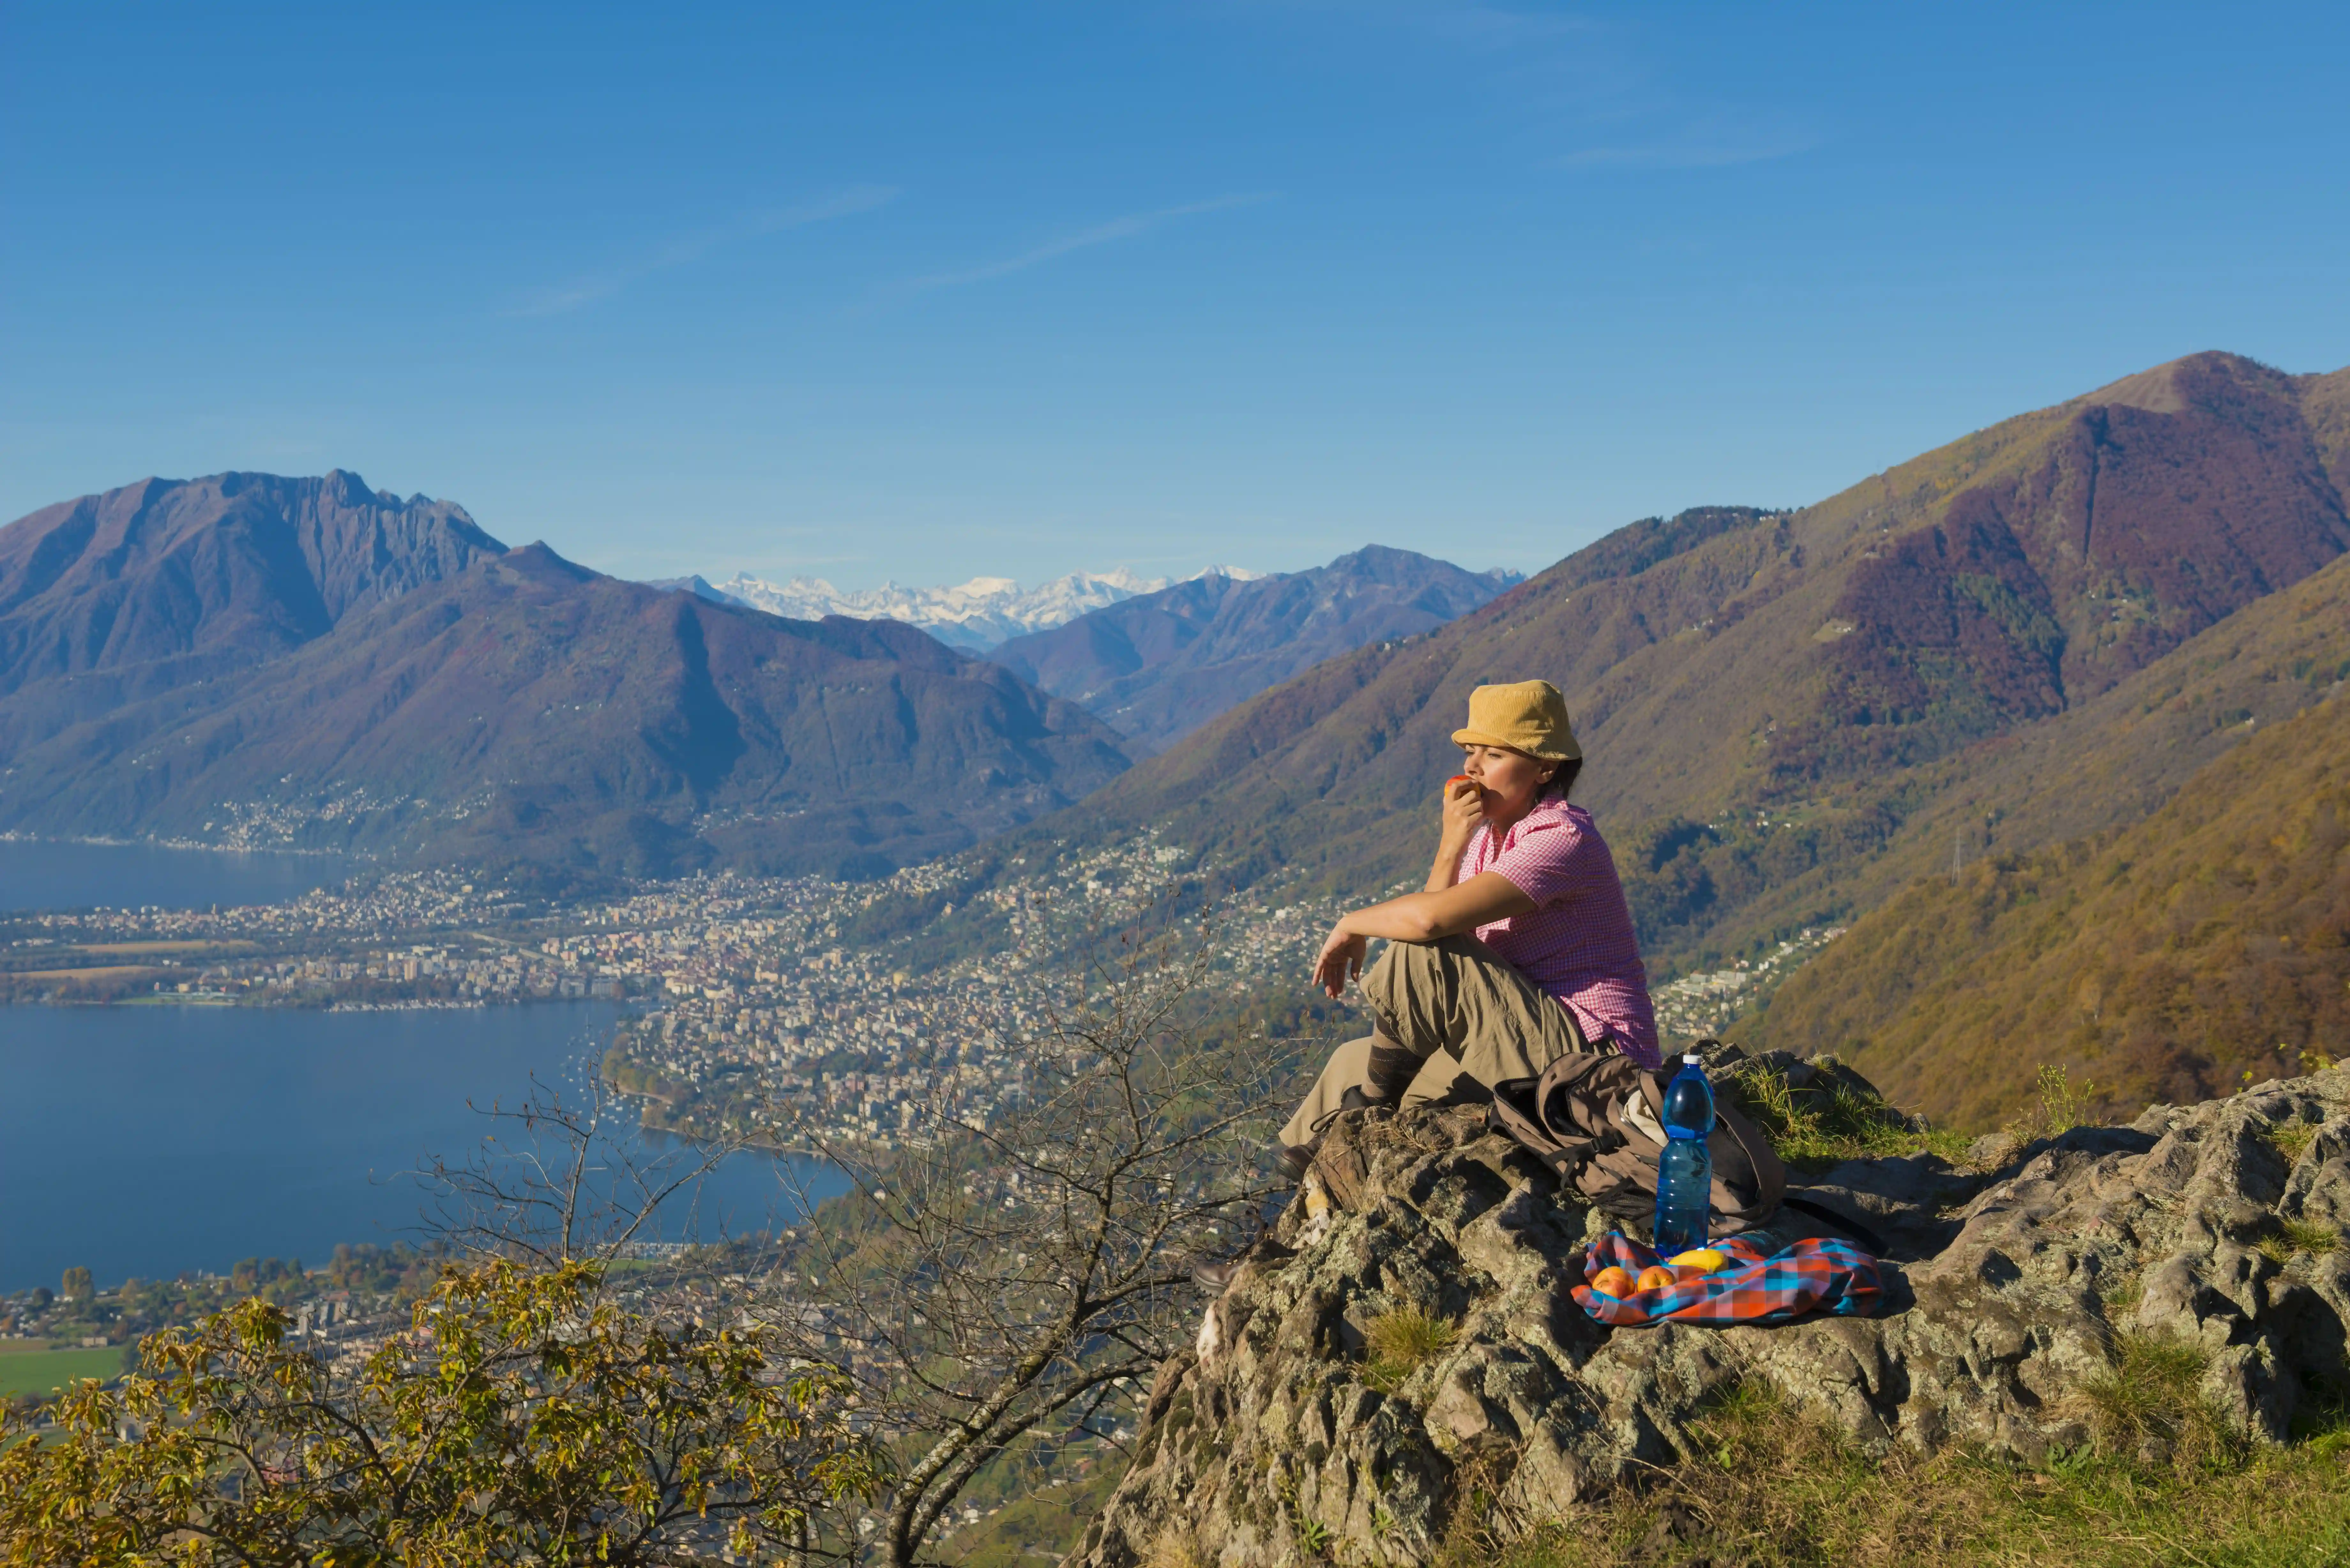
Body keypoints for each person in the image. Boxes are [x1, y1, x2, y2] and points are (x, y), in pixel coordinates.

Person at [1277, 678, 1658, 1174]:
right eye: (1471, 751)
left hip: (1595, 1066)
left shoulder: (1563, 840)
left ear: (1545, 767)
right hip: (1531, 1039)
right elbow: (1434, 914)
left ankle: (1367, 1114)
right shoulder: (1490, 839)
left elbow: (1428, 924)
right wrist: (1452, 842)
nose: (1472, 767)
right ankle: (1314, 1194)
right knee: (1352, 1059)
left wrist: (1353, 924)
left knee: (1423, 947)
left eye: (1493, 755)